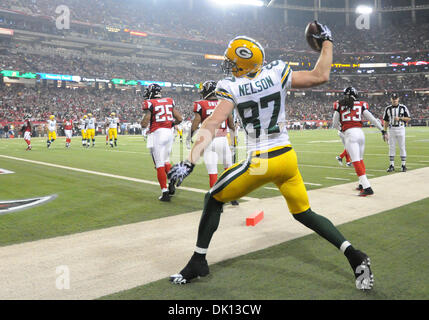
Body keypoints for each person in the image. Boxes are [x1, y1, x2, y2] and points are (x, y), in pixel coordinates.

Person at [167, 26, 374, 290]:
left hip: (261, 162)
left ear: (243, 62)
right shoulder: (277, 72)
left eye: (233, 61)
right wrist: (327, 42)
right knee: (304, 213)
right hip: (287, 158)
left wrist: (189, 161)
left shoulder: (233, 85)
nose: (229, 66)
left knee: (213, 197)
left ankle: (198, 260)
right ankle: (354, 255)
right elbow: (321, 75)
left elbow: (211, 123)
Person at [332, 87, 388, 196]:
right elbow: (372, 118)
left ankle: (367, 187)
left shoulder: (339, 105)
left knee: (356, 161)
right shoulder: (361, 104)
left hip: (350, 133)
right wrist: (382, 130)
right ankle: (362, 184)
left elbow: (334, 124)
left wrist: (342, 131)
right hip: (360, 133)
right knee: (360, 160)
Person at [191, 80, 238, 205]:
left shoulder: (201, 104)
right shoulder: (224, 103)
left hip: (209, 141)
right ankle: (233, 197)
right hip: (223, 140)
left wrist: (190, 136)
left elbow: (195, 123)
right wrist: (234, 137)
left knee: (213, 173)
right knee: (228, 170)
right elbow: (232, 124)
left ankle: (216, 202)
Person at [141, 84, 183, 202]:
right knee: (166, 161)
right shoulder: (169, 101)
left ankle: (165, 192)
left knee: (159, 164)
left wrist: (143, 123)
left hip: (157, 134)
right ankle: (171, 180)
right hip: (169, 133)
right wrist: (171, 124)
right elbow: (179, 119)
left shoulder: (150, 103)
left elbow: (144, 123)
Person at [383, 93, 411, 172]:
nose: (394, 100)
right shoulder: (387, 109)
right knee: (391, 147)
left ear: (398, 99)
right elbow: (386, 121)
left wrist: (400, 118)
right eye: (393, 98)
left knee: (402, 147)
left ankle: (403, 165)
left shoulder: (403, 107)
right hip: (391, 129)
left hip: (400, 128)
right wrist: (385, 132)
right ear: (391, 99)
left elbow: (409, 118)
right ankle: (391, 165)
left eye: (396, 98)